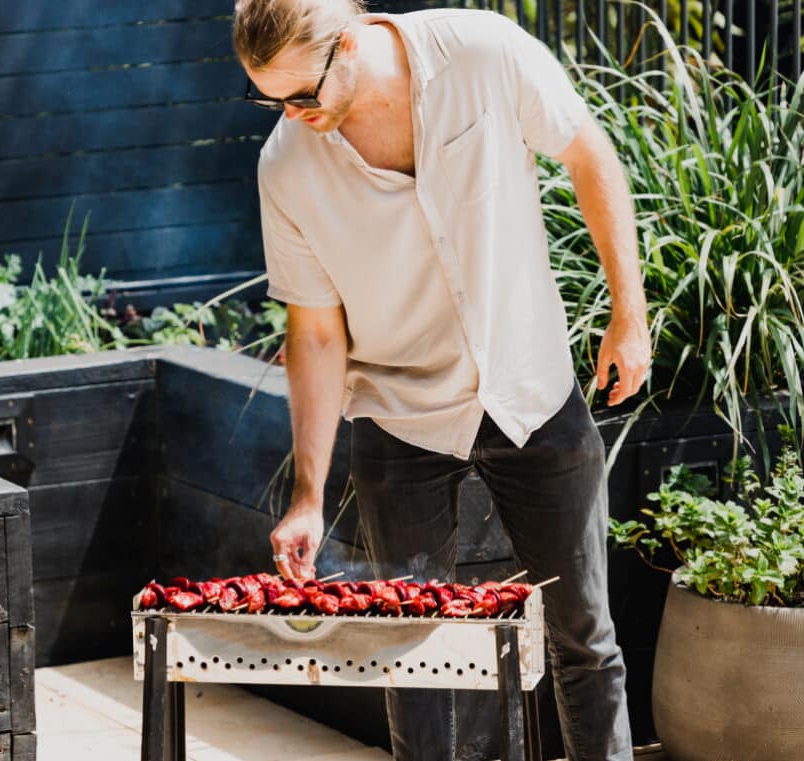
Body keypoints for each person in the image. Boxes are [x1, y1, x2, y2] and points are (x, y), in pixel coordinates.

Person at [232, 1, 650, 759]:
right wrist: (307, 497)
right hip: (400, 412)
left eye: (301, 95)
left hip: (530, 387)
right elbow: (317, 333)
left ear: (350, 42)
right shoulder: (287, 165)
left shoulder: (482, 53)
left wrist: (630, 313)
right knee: (416, 653)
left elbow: (589, 154)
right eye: (271, 100)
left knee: (584, 635)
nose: (291, 114)